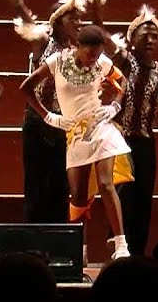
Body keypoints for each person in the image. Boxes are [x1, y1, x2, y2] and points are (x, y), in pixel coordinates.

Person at [20, 25, 132, 261]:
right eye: (90, 54)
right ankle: (79, 249)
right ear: (77, 47)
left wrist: (114, 106)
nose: (93, 60)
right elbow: (26, 88)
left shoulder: (101, 63)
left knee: (106, 183)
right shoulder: (57, 62)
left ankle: (121, 245)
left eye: (97, 55)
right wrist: (48, 116)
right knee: (78, 195)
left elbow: (122, 82)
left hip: (99, 127)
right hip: (75, 133)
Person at [0, 0, 80, 225]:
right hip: (37, 121)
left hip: (64, 125)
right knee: (36, 185)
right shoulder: (44, 41)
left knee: (60, 187)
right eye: (73, 19)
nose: (78, 23)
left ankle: (58, 239)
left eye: (79, 18)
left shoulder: (78, 52)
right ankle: (34, 239)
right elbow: (20, 9)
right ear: (58, 21)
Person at [108, 6, 158, 257]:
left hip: (145, 141)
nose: (150, 39)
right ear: (132, 38)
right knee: (123, 195)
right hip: (120, 138)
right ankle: (119, 249)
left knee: (144, 198)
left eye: (155, 36)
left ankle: (139, 253)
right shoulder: (124, 61)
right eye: (145, 34)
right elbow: (104, 39)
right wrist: (99, 10)